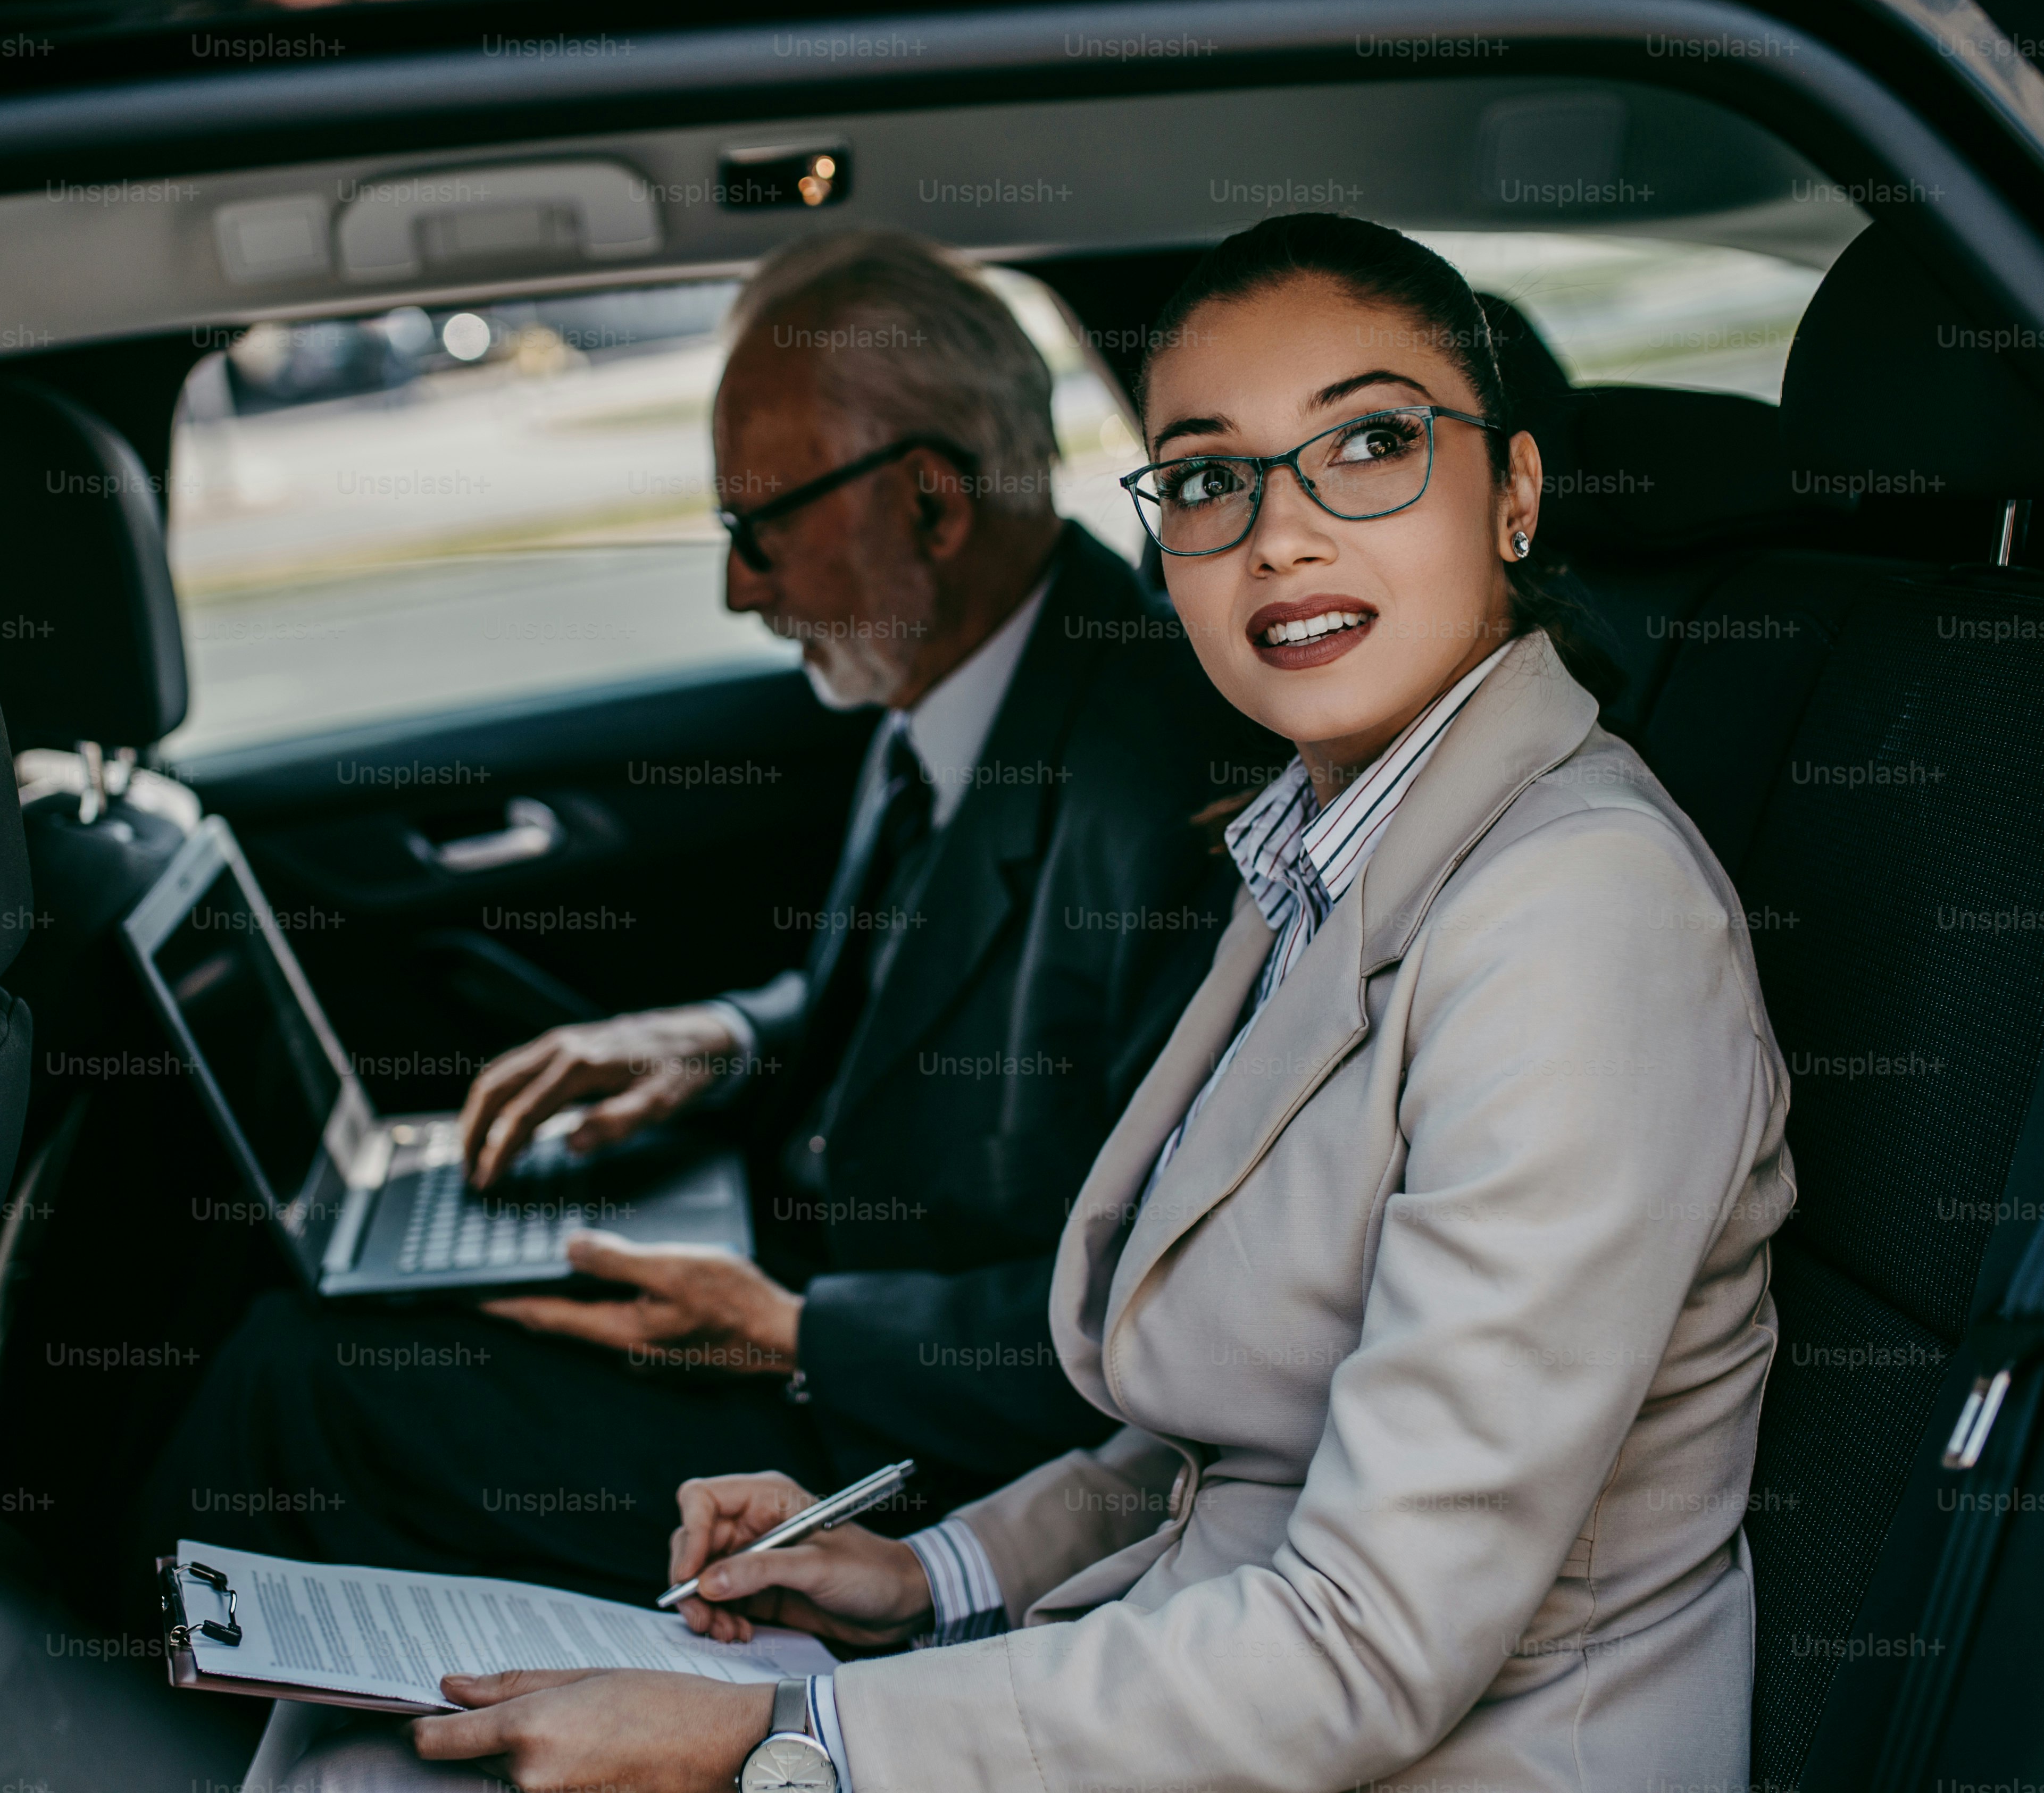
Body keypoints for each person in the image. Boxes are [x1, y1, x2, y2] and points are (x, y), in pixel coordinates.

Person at [357, 214, 1797, 1792]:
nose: (1282, 537)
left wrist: (790, 1738)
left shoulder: (1576, 920)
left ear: (1513, 491)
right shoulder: (1325, 850)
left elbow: (1371, 1647)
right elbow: (1234, 1438)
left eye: (1371, 444)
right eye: (1205, 476)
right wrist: (935, 1575)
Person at [140, 228, 1275, 1598]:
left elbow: (1186, 1320)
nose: (739, 590)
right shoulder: (955, 675)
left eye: (762, 530)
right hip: (822, 1292)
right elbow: (897, 1003)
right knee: (365, 1301)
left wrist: (795, 1333)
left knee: (299, 1386)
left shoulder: (1169, 803)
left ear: (930, 504)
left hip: (936, 1444)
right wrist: (718, 1042)